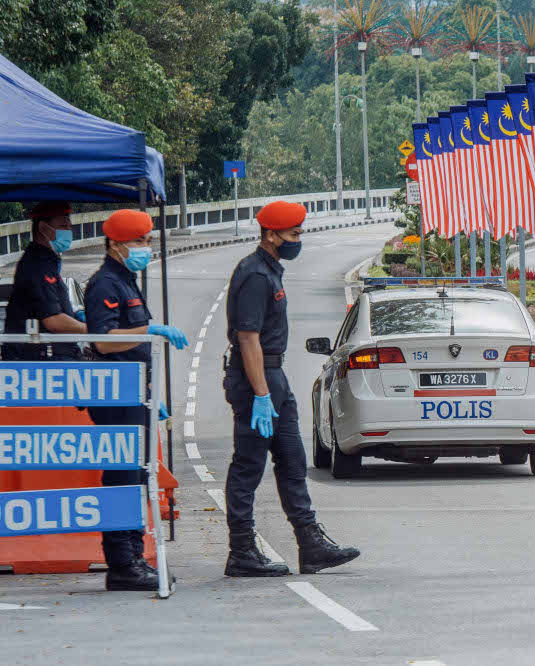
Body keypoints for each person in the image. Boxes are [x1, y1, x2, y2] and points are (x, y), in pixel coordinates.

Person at [223, 200, 360, 577]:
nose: (298, 240)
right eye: (294, 234)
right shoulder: (254, 274)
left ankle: (310, 544)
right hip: (257, 379)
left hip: (274, 377)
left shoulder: (269, 270)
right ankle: (241, 550)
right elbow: (248, 338)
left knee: (293, 460)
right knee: (249, 465)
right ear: (271, 235)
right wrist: (261, 395)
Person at [85, 209, 189, 591]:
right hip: (114, 394)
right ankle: (122, 563)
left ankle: (132, 557)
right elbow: (103, 341)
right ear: (115, 244)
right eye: (139, 241)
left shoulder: (125, 280)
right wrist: (150, 330)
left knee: (135, 476)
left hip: (132, 391)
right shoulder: (105, 284)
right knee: (122, 477)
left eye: (147, 241)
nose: (146, 247)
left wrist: (147, 394)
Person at [1, 202, 86, 361]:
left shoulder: (48, 263)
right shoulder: (37, 266)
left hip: (53, 357)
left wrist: (75, 315)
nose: (68, 231)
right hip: (41, 361)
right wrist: (92, 328)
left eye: (69, 226)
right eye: (63, 226)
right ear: (43, 228)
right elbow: (53, 320)